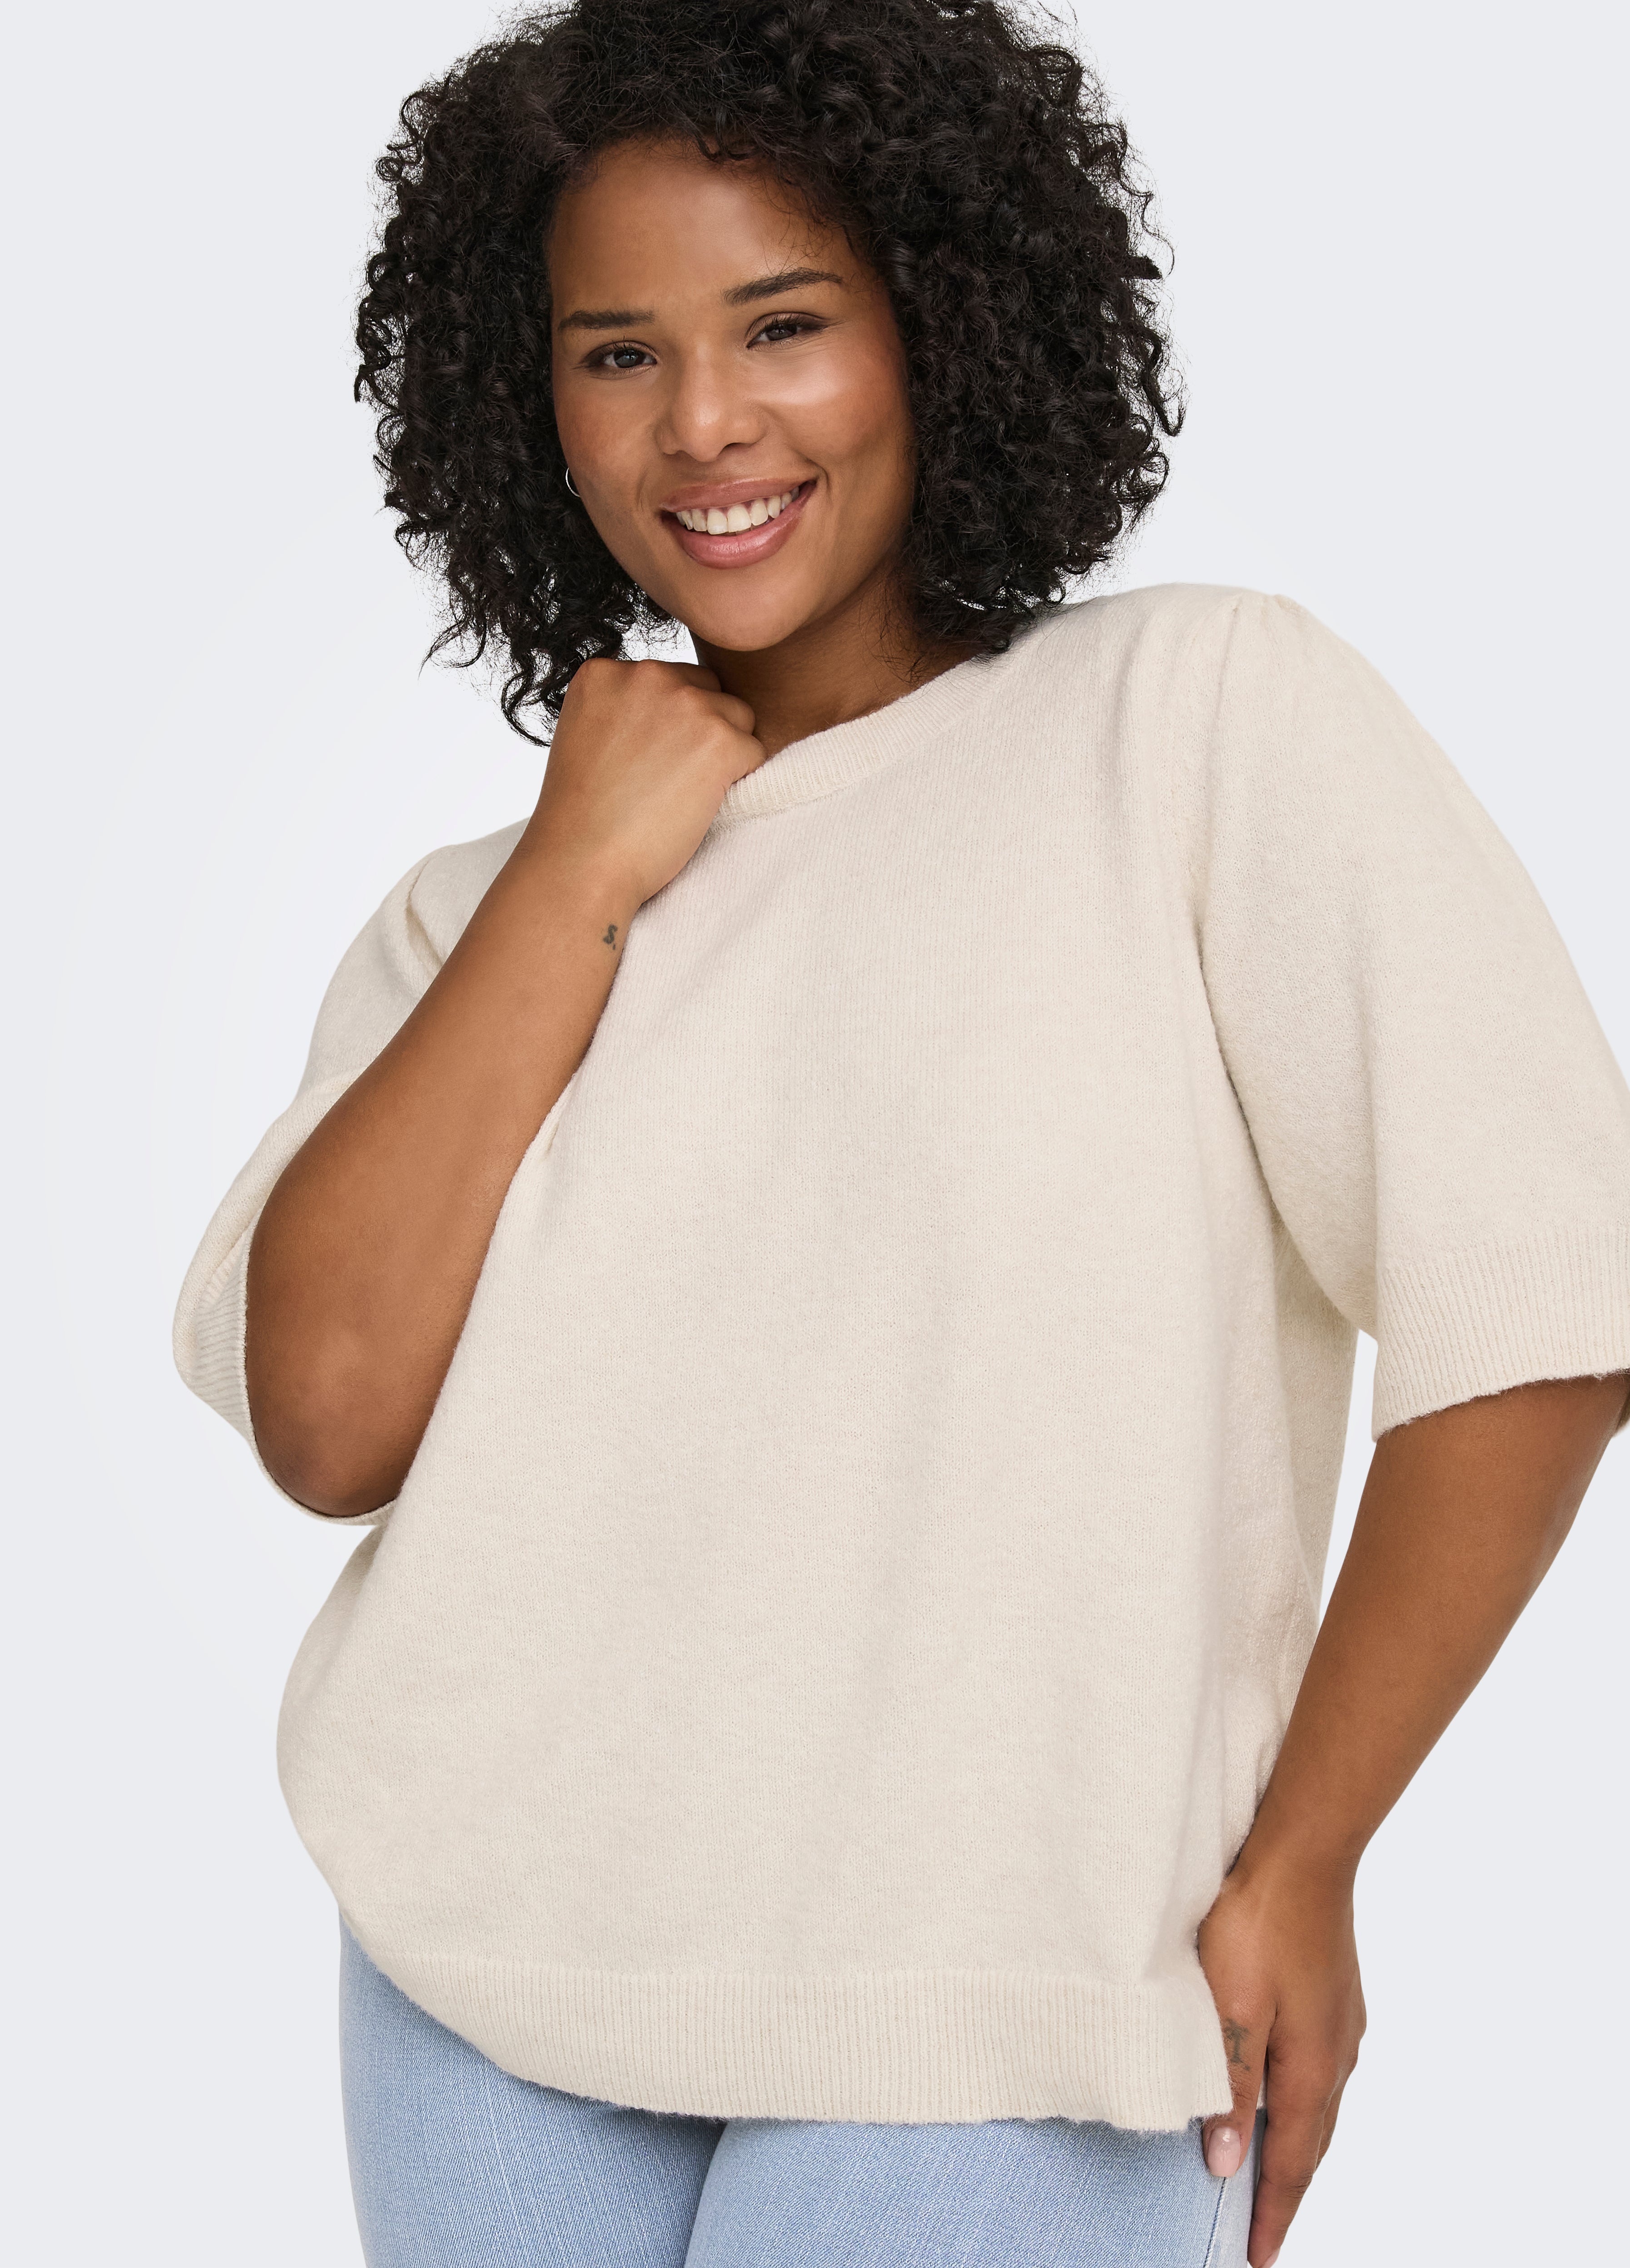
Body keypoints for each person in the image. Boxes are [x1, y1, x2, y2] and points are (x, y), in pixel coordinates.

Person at [172, 4, 1630, 2263]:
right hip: (483, 1967)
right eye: (616, 353)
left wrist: (1307, 1854)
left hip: (1010, 1993)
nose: (703, 422)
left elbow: (1535, 1302)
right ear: (526, 400)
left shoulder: (1189, 724)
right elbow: (329, 1416)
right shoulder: (475, 917)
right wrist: (578, 868)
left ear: (941, 322)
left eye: (781, 324)